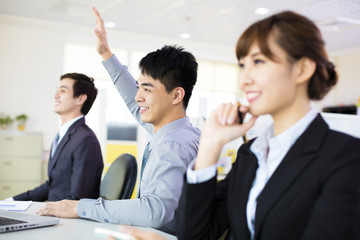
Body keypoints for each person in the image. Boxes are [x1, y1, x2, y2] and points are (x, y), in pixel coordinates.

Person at [174, 11, 360, 240]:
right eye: (243, 65)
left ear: (302, 69)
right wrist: (210, 146)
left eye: (259, 62)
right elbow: (193, 235)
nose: (244, 80)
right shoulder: (250, 154)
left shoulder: (348, 157)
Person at [37, 6, 201, 230]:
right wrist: (106, 53)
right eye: (139, 87)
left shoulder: (172, 144)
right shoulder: (175, 131)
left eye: (147, 89)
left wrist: (80, 207)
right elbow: (134, 101)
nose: (138, 96)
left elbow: (154, 211)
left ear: (176, 95)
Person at [11, 73, 103, 201]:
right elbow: (53, 186)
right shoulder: (62, 136)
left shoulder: (86, 140)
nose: (56, 95)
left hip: (66, 218)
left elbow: (79, 197)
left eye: (63, 91)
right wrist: (10, 202)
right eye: (57, 90)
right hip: (55, 213)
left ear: (80, 99)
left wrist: (46, 212)